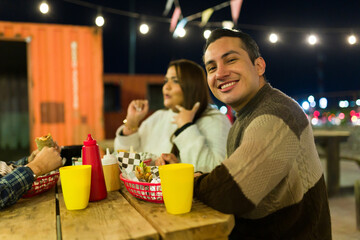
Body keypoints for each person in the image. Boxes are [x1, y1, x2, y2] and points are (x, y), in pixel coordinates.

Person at [193, 28, 331, 239]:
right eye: (211, 67)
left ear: (258, 66)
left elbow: (230, 192)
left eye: (230, 60)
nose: (220, 73)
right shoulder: (246, 115)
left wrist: (189, 181)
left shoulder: (276, 114)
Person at [114, 59, 231, 172]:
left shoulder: (215, 120)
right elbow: (128, 162)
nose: (166, 87)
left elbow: (214, 171)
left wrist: (186, 127)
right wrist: (131, 123)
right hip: (146, 191)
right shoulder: (158, 117)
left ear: (193, 85)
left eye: (175, 81)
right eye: (166, 81)